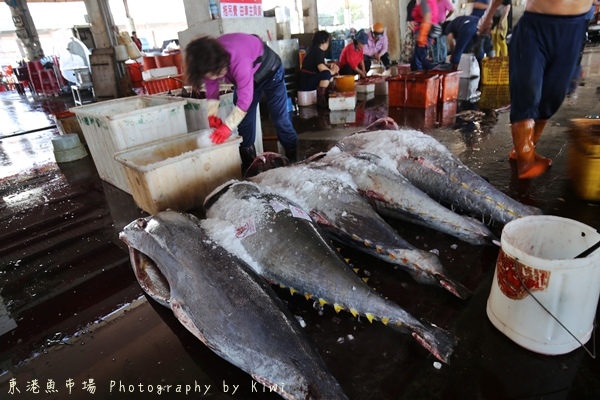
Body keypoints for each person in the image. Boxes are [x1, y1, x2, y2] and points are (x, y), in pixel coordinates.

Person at [479, 0, 593, 179]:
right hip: (534, 27)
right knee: (527, 89)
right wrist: (488, 16)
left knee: (553, 95)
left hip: (574, 30)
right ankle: (525, 160)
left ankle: (525, 150)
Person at [184, 33, 299, 173]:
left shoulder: (239, 60)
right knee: (245, 124)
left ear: (223, 62)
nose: (216, 78)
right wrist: (212, 114)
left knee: (279, 118)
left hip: (270, 72)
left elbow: (244, 102)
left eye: (219, 73)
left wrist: (227, 127)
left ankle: (293, 157)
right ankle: (250, 166)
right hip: (246, 74)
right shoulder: (207, 60)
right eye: (211, 75)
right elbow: (212, 88)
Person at [298, 30, 339, 108]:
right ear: (324, 41)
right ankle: (321, 100)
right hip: (306, 82)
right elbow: (321, 68)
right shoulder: (318, 51)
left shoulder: (313, 49)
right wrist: (332, 71)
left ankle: (327, 96)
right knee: (326, 74)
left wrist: (329, 65)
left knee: (328, 73)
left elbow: (317, 64)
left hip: (304, 80)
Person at [410, 0, 440, 71]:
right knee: (420, 58)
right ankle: (434, 71)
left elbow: (427, 17)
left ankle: (421, 79)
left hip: (424, 32)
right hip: (428, 32)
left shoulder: (425, 1)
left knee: (417, 62)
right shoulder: (433, 1)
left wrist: (422, 35)